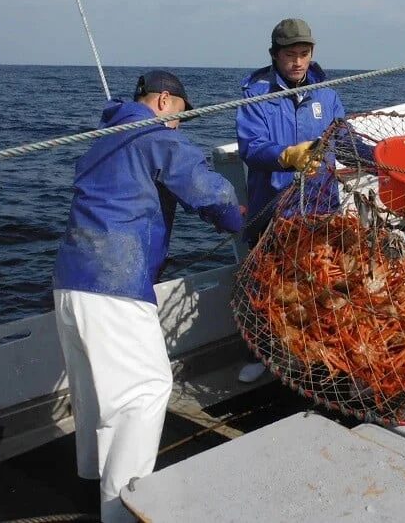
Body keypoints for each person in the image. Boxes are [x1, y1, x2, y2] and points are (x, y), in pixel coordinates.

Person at [53, 70, 243, 523]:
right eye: (179, 114)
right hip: (114, 281)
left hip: (70, 279)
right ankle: (121, 510)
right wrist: (237, 216)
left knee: (94, 391)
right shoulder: (151, 132)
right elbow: (204, 187)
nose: (179, 124)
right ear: (162, 101)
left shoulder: (106, 137)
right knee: (145, 391)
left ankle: (90, 477)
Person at [234, 18, 346, 382]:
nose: (297, 62)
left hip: (320, 207)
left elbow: (343, 140)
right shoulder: (256, 93)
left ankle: (317, 359)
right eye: (289, 55)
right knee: (268, 287)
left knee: (318, 286)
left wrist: (379, 160)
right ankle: (265, 356)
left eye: (304, 54)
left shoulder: (326, 93)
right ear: (274, 56)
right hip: (274, 208)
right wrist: (286, 156)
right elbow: (252, 147)